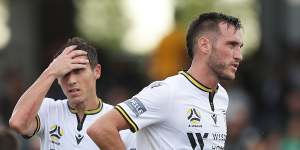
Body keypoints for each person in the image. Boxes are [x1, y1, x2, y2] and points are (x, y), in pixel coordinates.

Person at [87, 12, 244, 150]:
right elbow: (101, 128)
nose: (239, 55)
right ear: (204, 45)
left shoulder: (221, 95)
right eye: (231, 45)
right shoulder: (167, 92)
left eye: (240, 47)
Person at [9, 37, 135, 149]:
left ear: (97, 71)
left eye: (78, 70)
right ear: (57, 79)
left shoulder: (118, 120)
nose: (71, 80)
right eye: (64, 73)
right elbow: (17, 123)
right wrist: (51, 72)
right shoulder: (47, 108)